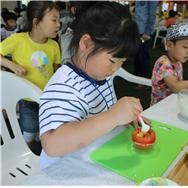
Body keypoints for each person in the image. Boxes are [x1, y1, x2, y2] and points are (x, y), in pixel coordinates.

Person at [38, 2, 142, 169]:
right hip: (63, 171)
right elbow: (52, 145)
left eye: (122, 62)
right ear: (86, 43)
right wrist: (113, 117)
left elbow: (101, 114)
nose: (116, 69)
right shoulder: (64, 86)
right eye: (113, 61)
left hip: (93, 157)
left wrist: (123, 117)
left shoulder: (100, 73)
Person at [0, 1, 61, 147]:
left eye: (58, 20)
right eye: (54, 20)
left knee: (44, 132)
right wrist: (12, 65)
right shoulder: (18, 40)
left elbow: (56, 69)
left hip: (46, 98)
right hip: (26, 99)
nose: (59, 24)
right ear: (36, 22)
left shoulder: (54, 46)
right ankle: (23, 152)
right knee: (28, 133)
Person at [150, 23, 188, 105]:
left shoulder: (178, 62)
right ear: (169, 45)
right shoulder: (163, 63)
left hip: (174, 102)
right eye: (185, 47)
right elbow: (175, 86)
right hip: (160, 107)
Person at [134, 1, 158, 79]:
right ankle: (138, 78)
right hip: (139, 30)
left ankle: (144, 79)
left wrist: (147, 32)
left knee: (142, 56)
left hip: (143, 32)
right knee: (138, 56)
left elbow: (152, 14)